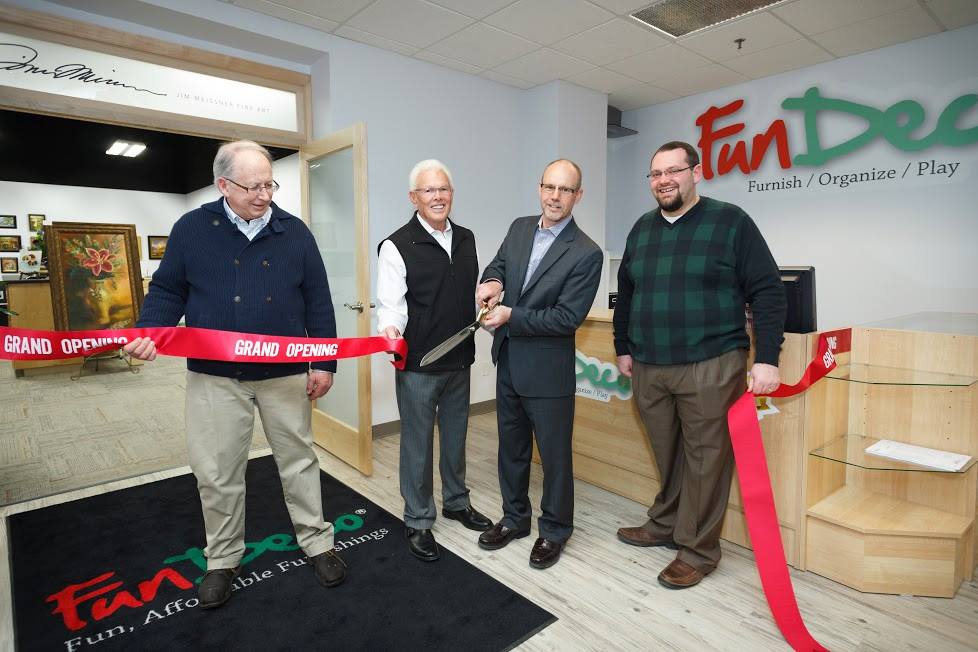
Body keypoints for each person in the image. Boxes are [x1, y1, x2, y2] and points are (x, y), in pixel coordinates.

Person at [124, 140, 347, 609]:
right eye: (253, 186)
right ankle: (223, 559)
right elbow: (168, 290)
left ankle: (318, 542)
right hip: (214, 377)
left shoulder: (295, 232)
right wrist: (150, 331)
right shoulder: (191, 229)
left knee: (299, 461)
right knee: (218, 470)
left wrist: (323, 361)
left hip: (285, 373)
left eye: (270, 183)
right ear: (223, 184)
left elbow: (318, 301)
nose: (265, 194)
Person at [613, 140, 785, 589]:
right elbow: (627, 293)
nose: (663, 180)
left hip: (711, 361)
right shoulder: (642, 228)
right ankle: (667, 522)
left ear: (696, 172)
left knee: (707, 457)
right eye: (655, 174)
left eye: (673, 171)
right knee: (667, 452)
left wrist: (767, 357)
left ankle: (699, 549)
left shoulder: (731, 221)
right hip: (650, 363)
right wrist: (622, 346)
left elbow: (767, 289)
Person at [475, 159, 602, 570]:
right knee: (510, 449)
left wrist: (511, 315)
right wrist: (492, 282)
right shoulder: (519, 227)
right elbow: (498, 266)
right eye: (549, 187)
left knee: (553, 457)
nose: (555, 196)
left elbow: (566, 319)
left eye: (565, 190)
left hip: (548, 373)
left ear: (578, 196)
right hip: (509, 360)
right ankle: (515, 519)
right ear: (539, 188)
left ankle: (554, 530)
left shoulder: (586, 253)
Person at [376, 159, 493, 562]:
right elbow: (390, 305)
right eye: (428, 190)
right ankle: (419, 518)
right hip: (419, 366)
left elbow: (468, 292)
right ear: (414, 198)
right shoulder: (396, 244)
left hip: (461, 358)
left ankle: (457, 502)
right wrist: (390, 330)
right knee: (418, 445)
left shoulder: (466, 238)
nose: (438, 196)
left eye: (443, 189)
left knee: (457, 439)